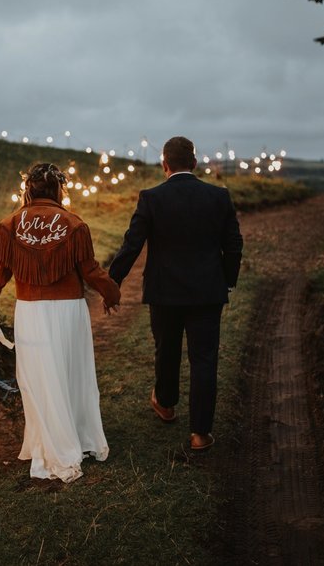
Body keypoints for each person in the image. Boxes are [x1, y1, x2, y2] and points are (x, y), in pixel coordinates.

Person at [0, 162, 121, 483]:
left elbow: (0, 270)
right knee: (71, 372)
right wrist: (110, 293)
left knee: (39, 378)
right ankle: (79, 437)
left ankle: (50, 440)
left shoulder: (8, 225)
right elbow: (90, 270)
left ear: (27, 190)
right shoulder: (75, 225)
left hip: (31, 312)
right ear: (59, 190)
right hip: (68, 310)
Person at [109, 136, 243, 451]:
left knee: (166, 349)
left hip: (163, 291)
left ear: (164, 164)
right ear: (194, 164)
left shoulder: (151, 198)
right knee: (204, 359)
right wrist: (227, 280)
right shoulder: (218, 197)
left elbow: (132, 244)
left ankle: (166, 405)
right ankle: (199, 433)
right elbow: (234, 244)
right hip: (208, 292)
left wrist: (112, 281)